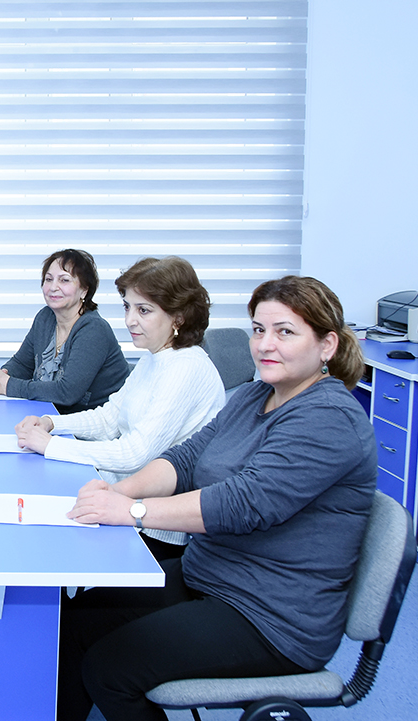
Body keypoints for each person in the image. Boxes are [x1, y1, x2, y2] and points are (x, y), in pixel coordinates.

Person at [56, 275, 377, 721]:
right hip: (210, 576)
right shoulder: (255, 395)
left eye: (285, 332)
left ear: (326, 346)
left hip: (272, 616)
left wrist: (130, 511)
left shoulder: (329, 418)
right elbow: (187, 459)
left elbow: (244, 503)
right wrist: (118, 490)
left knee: (110, 667)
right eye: (259, 329)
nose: (266, 344)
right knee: (73, 623)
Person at [14, 257, 226, 560]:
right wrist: (51, 423)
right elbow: (109, 418)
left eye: (144, 310)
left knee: (41, 548)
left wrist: (51, 447)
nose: (130, 320)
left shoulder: (186, 368)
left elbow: (135, 453)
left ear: (178, 317)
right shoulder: (156, 357)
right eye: (128, 307)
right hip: (118, 499)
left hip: (151, 529)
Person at [0, 249, 129, 413]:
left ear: (84, 289)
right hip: (51, 416)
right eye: (48, 279)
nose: (53, 287)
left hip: (92, 427)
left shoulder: (93, 329)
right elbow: (23, 364)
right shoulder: (45, 317)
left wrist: (7, 384)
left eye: (64, 280)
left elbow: (67, 393)